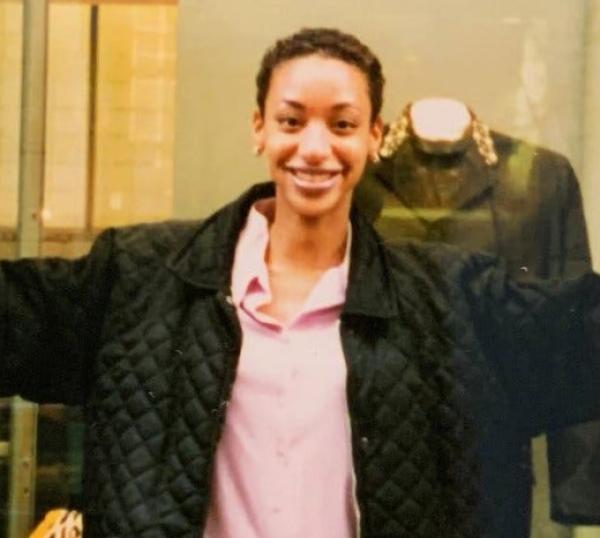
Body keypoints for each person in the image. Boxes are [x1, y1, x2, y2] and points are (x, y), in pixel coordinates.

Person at [1, 27, 600, 538]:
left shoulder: (449, 298)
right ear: (259, 127)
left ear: (372, 136)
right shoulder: (138, 276)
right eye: (292, 120)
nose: (315, 148)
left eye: (342, 124)